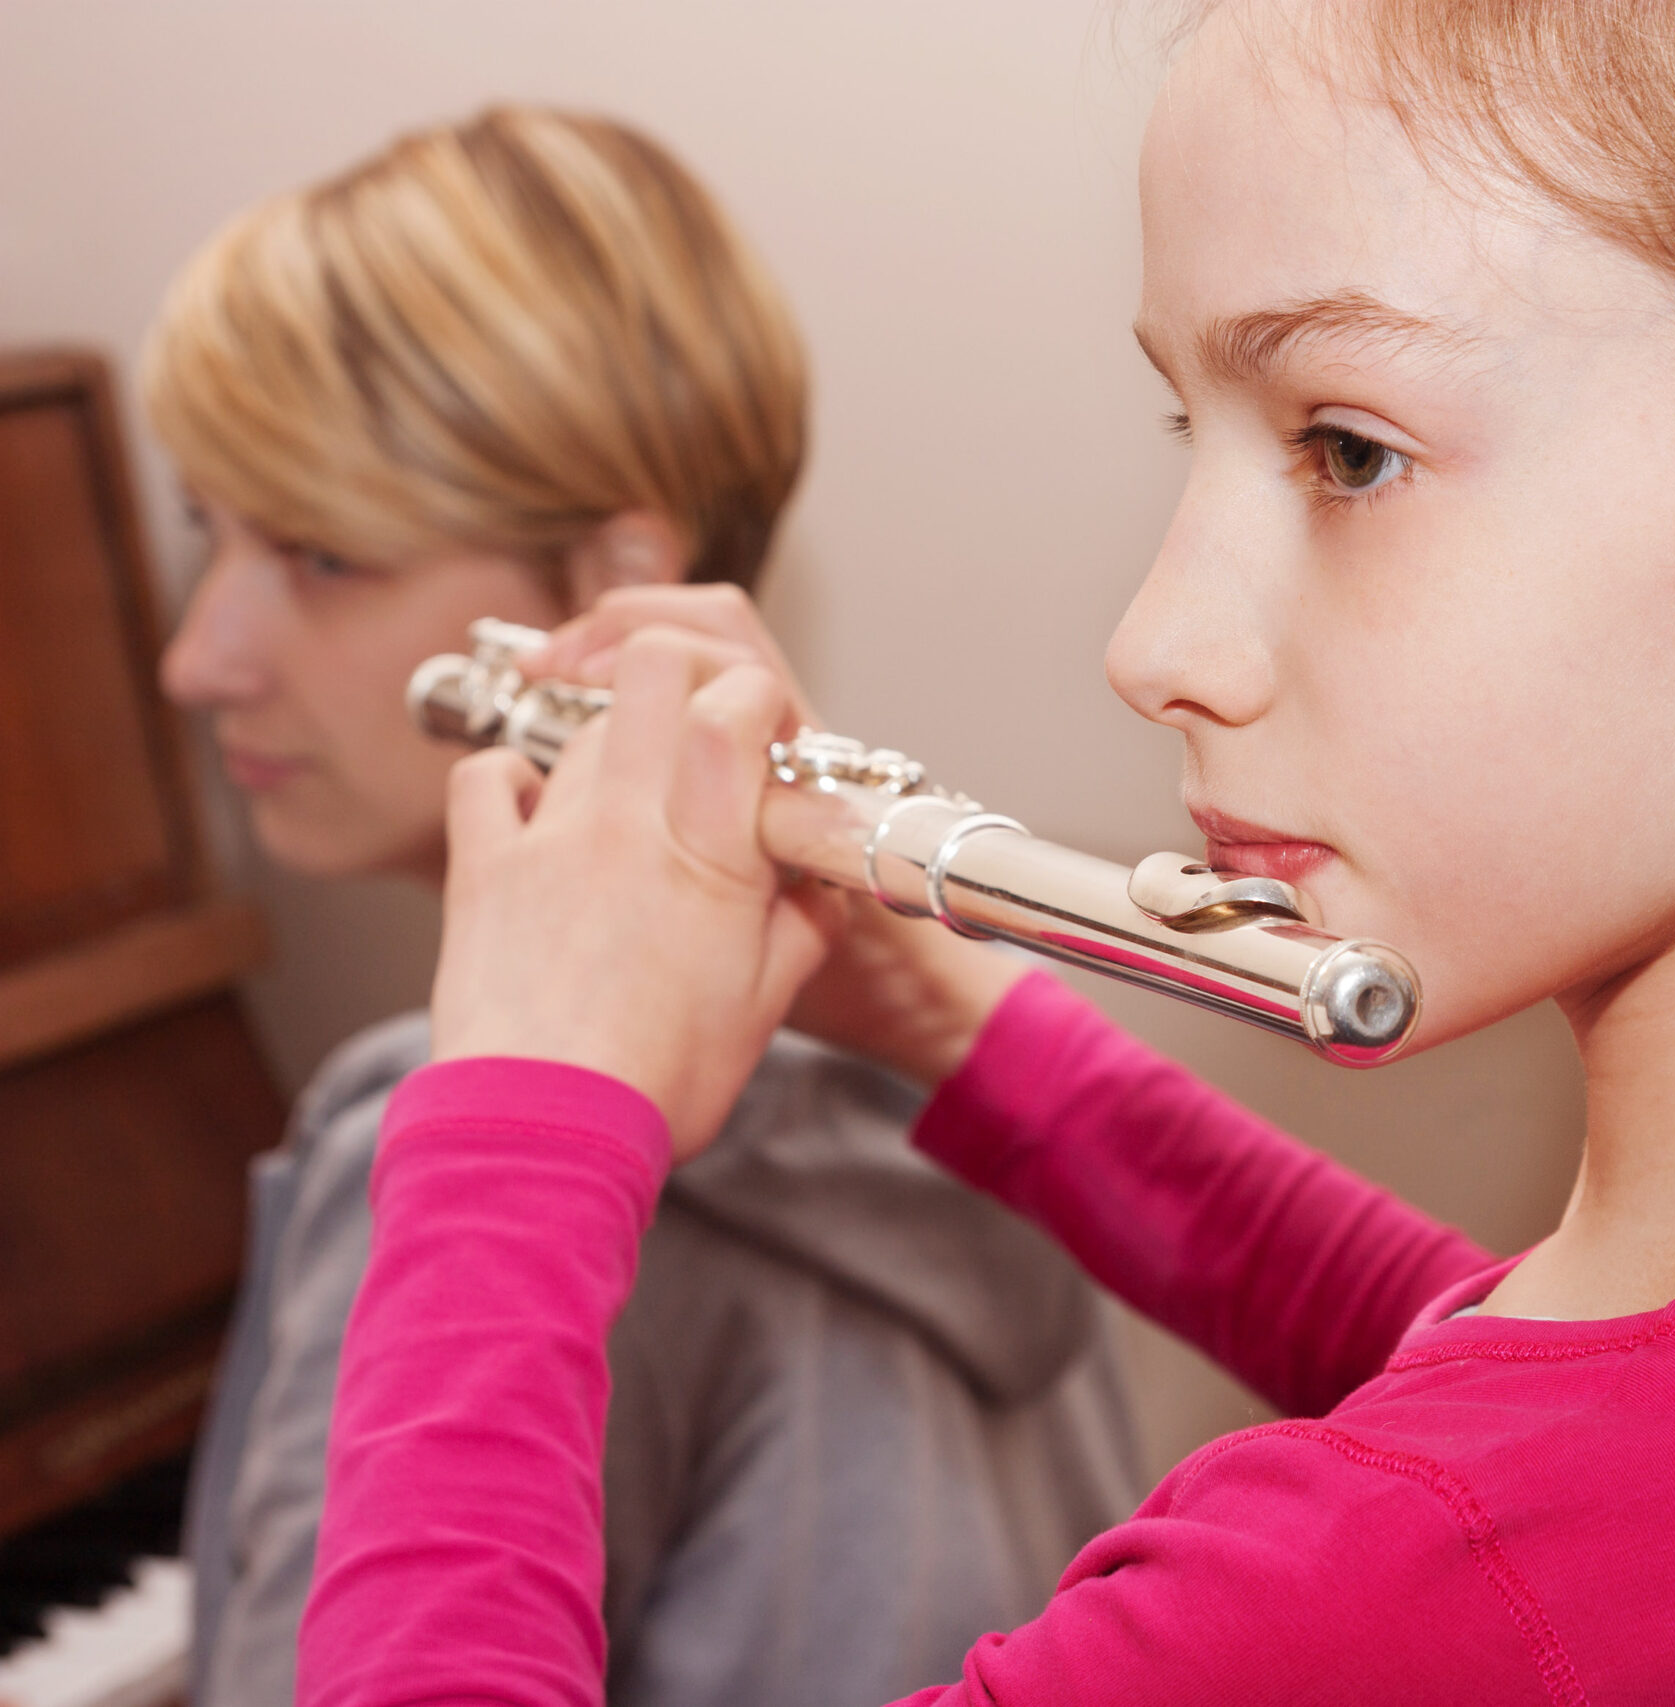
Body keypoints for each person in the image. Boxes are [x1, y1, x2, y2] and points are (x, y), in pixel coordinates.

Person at [295, 3, 1675, 1703]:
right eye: (1194, 428)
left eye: (1346, 446)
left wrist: (516, 1105)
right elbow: (1497, 1373)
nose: (1152, 641)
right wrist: (952, 1014)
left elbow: (1467, 1511)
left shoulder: (1378, 1590)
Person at [148, 105, 1139, 1707]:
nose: (202, 656)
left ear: (620, 582)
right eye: (212, 533)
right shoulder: (950, 1084)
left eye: (318, 552)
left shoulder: (452, 1137)